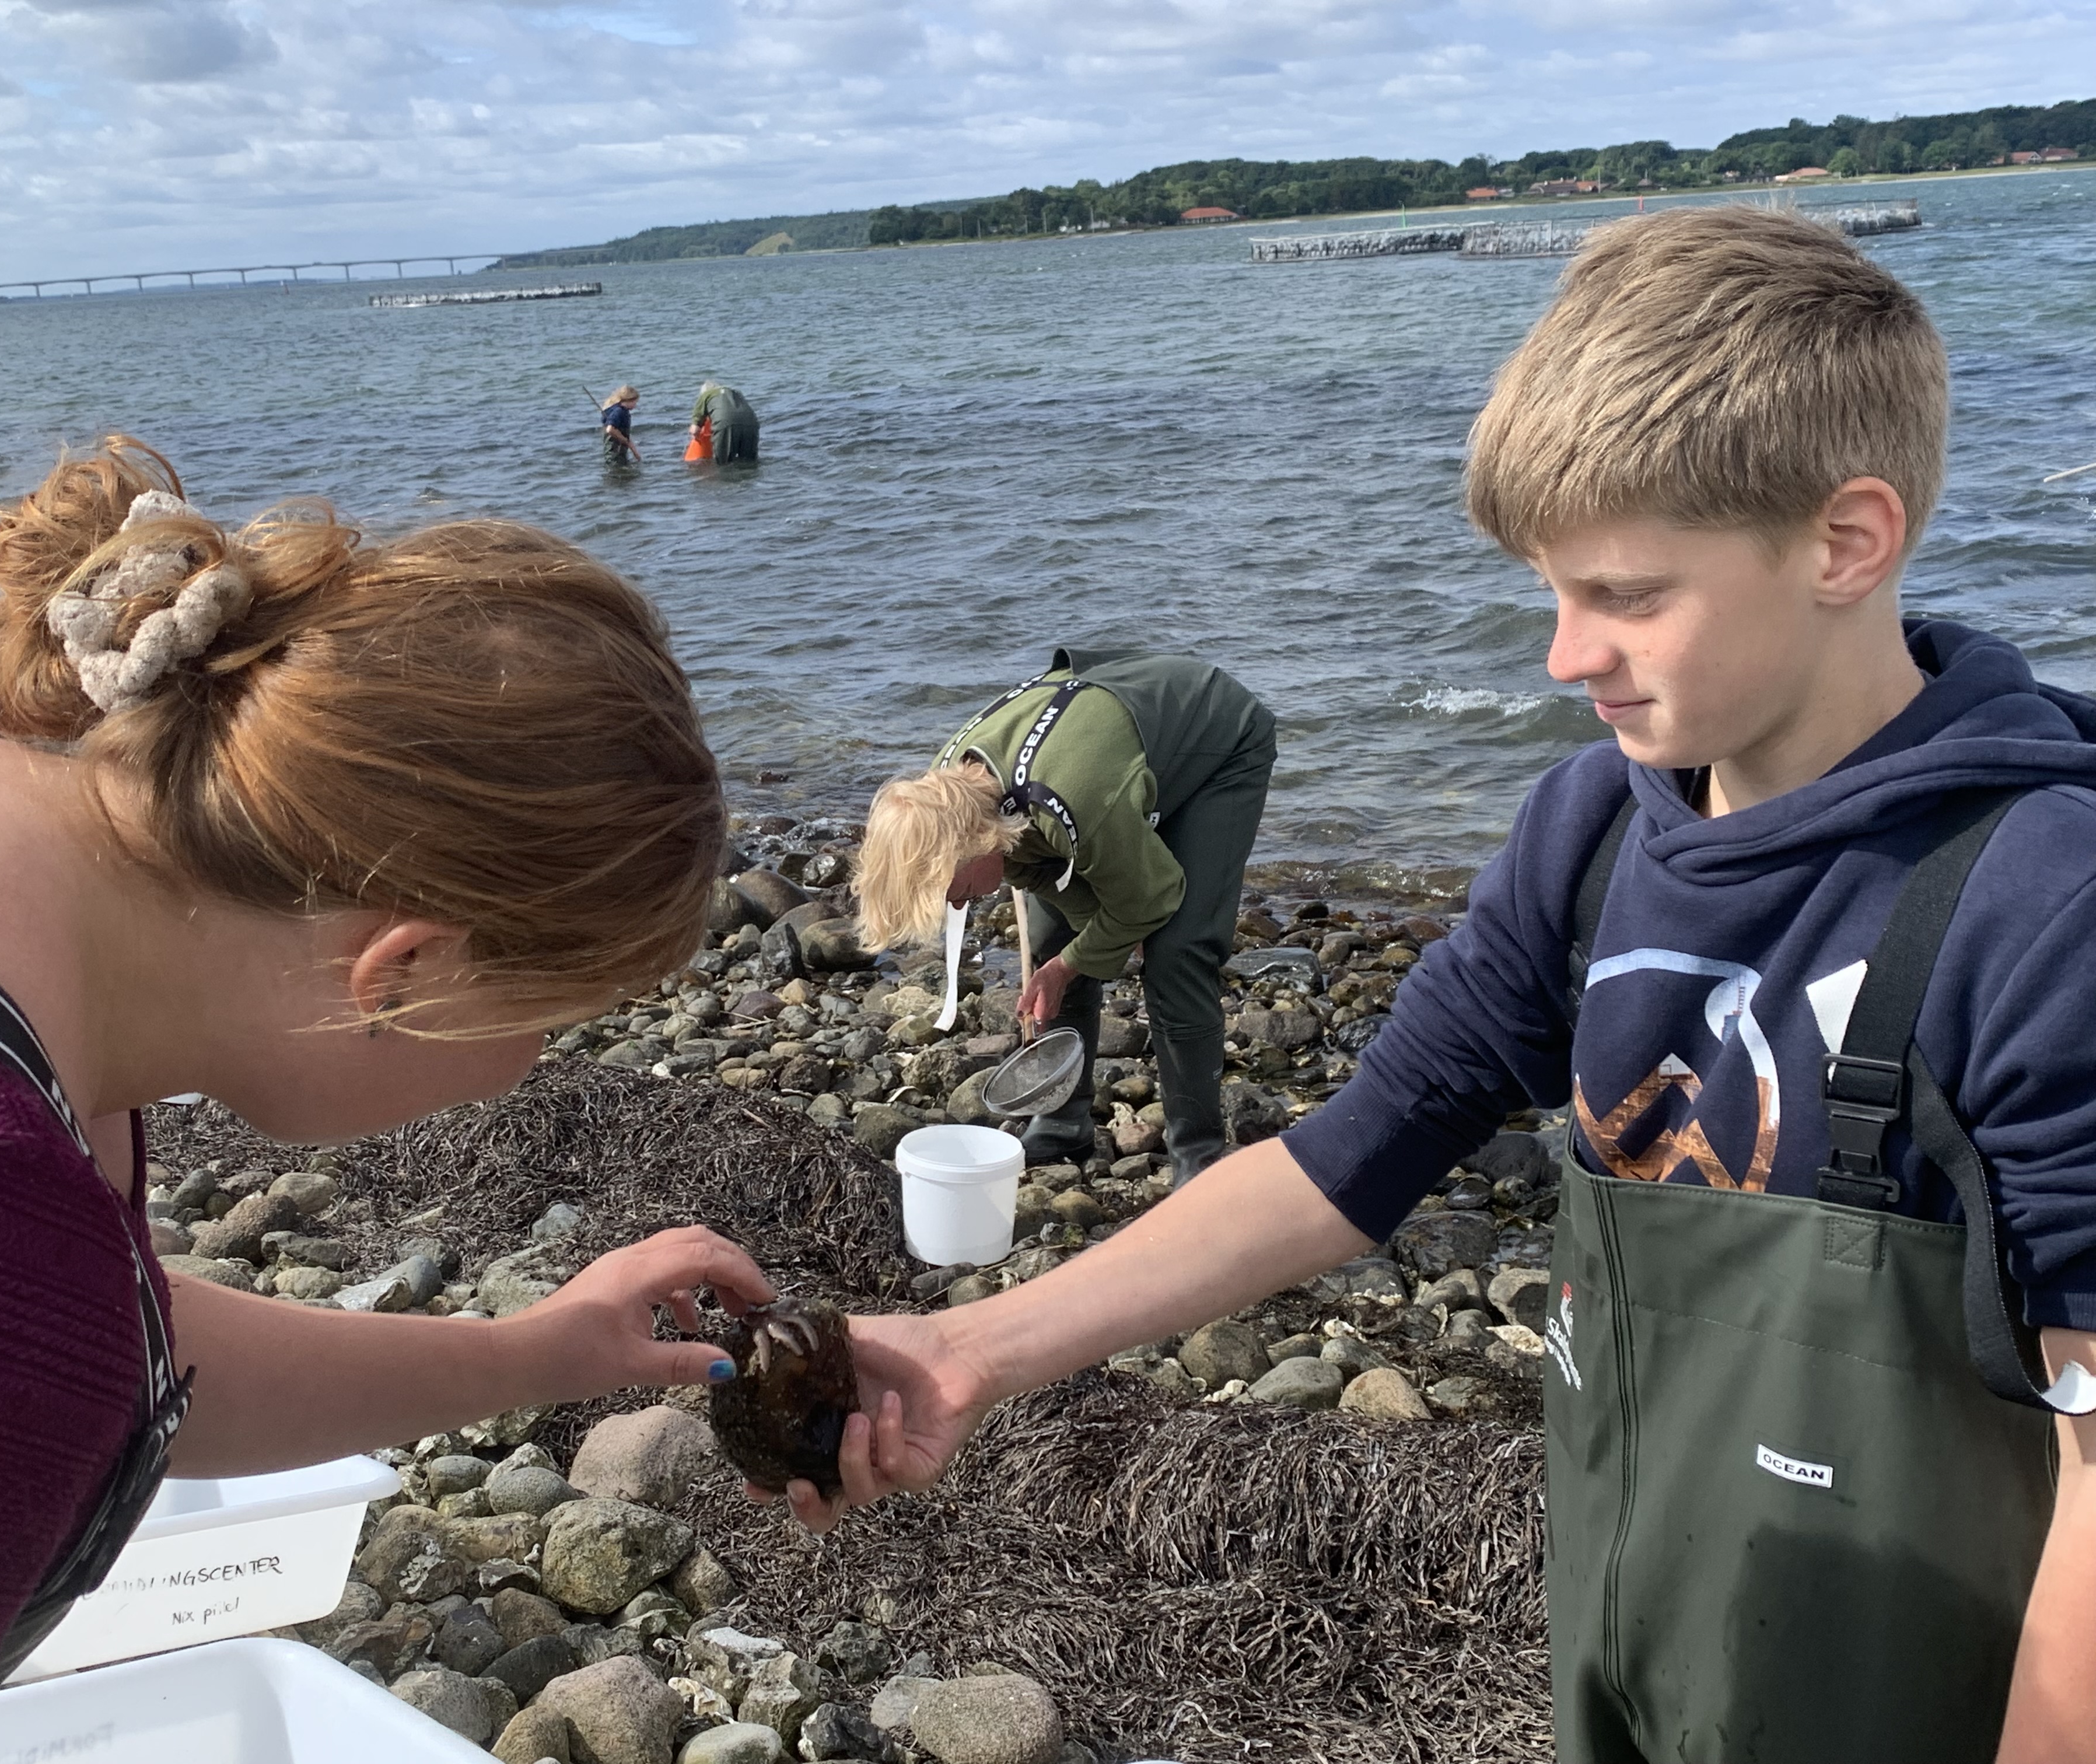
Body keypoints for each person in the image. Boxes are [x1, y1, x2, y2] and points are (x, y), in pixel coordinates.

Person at [804, 208, 2096, 1762]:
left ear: (1844, 540)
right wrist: (971, 1351)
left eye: (1626, 595)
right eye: (1551, 593)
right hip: (1639, 1626)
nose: (1564, 656)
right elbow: (1353, 1157)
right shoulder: (1591, 832)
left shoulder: (2040, 902)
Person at [0, 438, 774, 1761]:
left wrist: (544, 1350)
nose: (531, 1069)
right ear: (405, 968)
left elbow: (136, 1362)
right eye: (553, 1021)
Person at [855, 651, 1276, 1181]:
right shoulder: (946, 795)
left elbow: (1154, 896)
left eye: (953, 890)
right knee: (1057, 941)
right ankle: (1062, 1123)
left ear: (976, 845)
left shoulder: (1072, 801)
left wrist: (1103, 942)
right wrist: (1081, 952)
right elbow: (1033, 872)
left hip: (1216, 738)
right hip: (1104, 753)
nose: (958, 904)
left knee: (1177, 952)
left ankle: (1198, 1155)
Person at [688, 382, 760, 463]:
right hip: (752, 423)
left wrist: (696, 436)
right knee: (750, 464)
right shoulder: (736, 393)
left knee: (724, 465)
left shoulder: (706, 395)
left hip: (725, 423)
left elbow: (695, 430)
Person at [600, 384, 641, 463]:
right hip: (614, 451)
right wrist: (624, 440)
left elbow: (626, 437)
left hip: (619, 451)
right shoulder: (619, 412)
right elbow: (610, 429)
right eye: (635, 403)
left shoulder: (621, 411)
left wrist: (636, 453)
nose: (635, 406)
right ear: (629, 400)